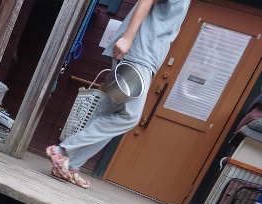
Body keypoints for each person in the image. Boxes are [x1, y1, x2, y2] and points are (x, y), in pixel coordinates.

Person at [47, 0, 191, 188]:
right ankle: (62, 152)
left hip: (142, 56)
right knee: (129, 116)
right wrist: (128, 38)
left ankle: (70, 166)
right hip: (139, 54)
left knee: (108, 114)